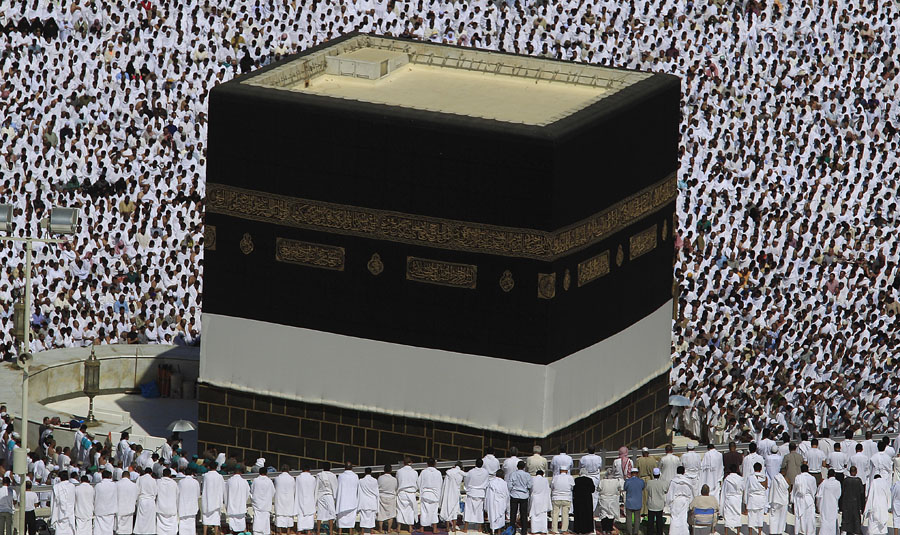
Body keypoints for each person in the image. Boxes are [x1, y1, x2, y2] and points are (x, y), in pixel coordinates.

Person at [463, 459, 489, 532]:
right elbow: (487, 481)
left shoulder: (471, 472)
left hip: (472, 492)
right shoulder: (486, 472)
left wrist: (467, 488)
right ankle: (479, 528)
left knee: (468, 510)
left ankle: (465, 528)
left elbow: (466, 481)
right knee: (479, 511)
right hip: (480, 493)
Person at [507, 460, 532, 535]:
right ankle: (524, 531)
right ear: (524, 467)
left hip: (514, 495)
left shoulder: (513, 474)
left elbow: (509, 485)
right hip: (524, 496)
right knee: (524, 514)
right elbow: (530, 485)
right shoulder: (527, 475)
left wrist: (511, 491)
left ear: (517, 467)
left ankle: (512, 530)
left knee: (513, 514)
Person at [417, 459, 443, 531]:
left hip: (425, 494)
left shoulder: (423, 472)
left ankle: (422, 528)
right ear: (435, 464)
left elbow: (419, 482)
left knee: (424, 512)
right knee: (434, 512)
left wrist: (422, 490)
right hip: (434, 495)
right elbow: (440, 484)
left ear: (427, 464)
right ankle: (435, 528)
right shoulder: (438, 473)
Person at [439, 462, 464, 533]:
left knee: (447, 509)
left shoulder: (448, 473)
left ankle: (447, 527)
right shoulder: (460, 474)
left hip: (448, 493)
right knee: (454, 510)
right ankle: (453, 527)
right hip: (455, 494)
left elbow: (445, 484)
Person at [200, 463, 225, 535]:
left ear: (209, 467)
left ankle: (205, 533)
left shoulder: (206, 476)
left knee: (206, 518)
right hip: (216, 500)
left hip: (207, 500)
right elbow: (223, 488)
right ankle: (216, 533)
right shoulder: (219, 476)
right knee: (216, 519)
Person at [597, 468, 623, 535]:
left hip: (604, 499)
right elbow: (620, 488)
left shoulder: (602, 481)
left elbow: (599, 489)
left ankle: (604, 529)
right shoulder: (616, 481)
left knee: (604, 514)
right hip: (613, 499)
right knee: (611, 514)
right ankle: (609, 529)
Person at [791, 465, 817, 535]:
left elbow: (794, 489)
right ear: (808, 470)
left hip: (799, 499)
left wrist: (792, 499)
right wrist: (812, 498)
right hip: (809, 498)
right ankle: (809, 532)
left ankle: (798, 531)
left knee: (799, 516)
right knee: (809, 516)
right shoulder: (812, 478)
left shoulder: (797, 477)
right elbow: (814, 490)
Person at [841, 466, 866, 535]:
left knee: (846, 517)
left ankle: (845, 530)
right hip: (856, 503)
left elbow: (842, 491)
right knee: (856, 518)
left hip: (847, 503)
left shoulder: (846, 480)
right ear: (856, 472)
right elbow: (862, 492)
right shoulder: (858, 481)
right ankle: (856, 531)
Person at [744, 463, 768, 535]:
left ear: (753, 468)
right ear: (761, 469)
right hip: (761, 499)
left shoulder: (750, 477)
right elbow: (766, 488)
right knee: (760, 517)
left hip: (752, 499)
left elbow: (746, 489)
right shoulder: (764, 478)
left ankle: (750, 533)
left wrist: (745, 502)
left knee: (751, 517)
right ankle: (759, 533)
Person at [335, 463, 359, 535]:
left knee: (341, 517)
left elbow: (338, 488)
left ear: (344, 468)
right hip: (352, 500)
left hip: (342, 500)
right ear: (352, 468)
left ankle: (340, 532)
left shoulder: (341, 476)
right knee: (351, 517)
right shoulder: (355, 476)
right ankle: (350, 532)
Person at [550, 466, 574, 534]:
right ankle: (564, 530)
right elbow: (572, 487)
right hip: (566, 498)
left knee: (555, 514)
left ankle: (554, 530)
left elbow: (552, 486)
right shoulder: (570, 477)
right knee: (565, 515)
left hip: (556, 497)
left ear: (560, 470)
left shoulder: (555, 477)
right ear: (567, 471)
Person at [395, 458, 417, 532]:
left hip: (402, 492)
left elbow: (397, 481)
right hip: (411, 493)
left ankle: (399, 527)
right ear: (411, 463)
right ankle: (410, 527)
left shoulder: (399, 471)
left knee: (400, 510)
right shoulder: (414, 472)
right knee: (410, 510)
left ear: (404, 463)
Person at [816, 469, 841, 535]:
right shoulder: (837, 483)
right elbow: (838, 495)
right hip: (833, 505)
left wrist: (818, 505)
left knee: (824, 520)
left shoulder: (824, 483)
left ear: (828, 475)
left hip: (825, 505)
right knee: (833, 520)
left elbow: (818, 495)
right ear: (834, 475)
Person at [720, 465, 743, 535]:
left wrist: (722, 502)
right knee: (737, 514)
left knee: (728, 515)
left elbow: (724, 490)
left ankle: (726, 533)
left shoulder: (727, 479)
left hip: (729, 498)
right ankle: (738, 532)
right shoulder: (740, 479)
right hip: (737, 498)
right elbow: (743, 488)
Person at [485, 470, 509, 535]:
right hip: (501, 503)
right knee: (500, 518)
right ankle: (499, 532)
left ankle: (492, 531)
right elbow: (507, 495)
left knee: (492, 516)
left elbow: (487, 495)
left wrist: (486, 506)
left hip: (492, 503)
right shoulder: (504, 483)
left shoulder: (491, 482)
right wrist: (507, 507)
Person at [178, 468, 201, 535]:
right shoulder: (195, 482)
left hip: (183, 505)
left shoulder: (181, 482)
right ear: (192, 473)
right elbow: (198, 494)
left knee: (183, 523)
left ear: (184, 473)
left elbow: (178, 493)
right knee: (191, 523)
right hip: (192, 506)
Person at [94, 470, 117, 535]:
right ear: (110, 476)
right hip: (110, 511)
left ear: (102, 476)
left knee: (99, 531)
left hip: (100, 510)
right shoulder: (114, 485)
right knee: (109, 530)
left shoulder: (98, 486)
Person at [296, 463, 317, 534]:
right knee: (309, 520)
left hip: (300, 500)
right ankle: (308, 532)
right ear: (309, 470)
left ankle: (299, 532)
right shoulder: (313, 479)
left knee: (300, 518)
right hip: (310, 501)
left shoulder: (298, 478)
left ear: (302, 470)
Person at [274, 466, 296, 534]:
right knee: (289, 516)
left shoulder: (277, 478)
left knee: (279, 516)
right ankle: (288, 531)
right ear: (288, 470)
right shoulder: (292, 479)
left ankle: (280, 531)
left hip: (280, 499)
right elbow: (294, 489)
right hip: (289, 500)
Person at [116, 467, 138, 535]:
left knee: (119, 529)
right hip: (129, 508)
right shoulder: (134, 485)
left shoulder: (117, 484)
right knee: (128, 529)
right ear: (129, 477)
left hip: (119, 508)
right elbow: (136, 496)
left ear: (121, 476)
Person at [315, 465, 337, 535]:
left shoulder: (319, 475)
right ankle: (331, 531)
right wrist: (335, 498)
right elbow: (335, 487)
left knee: (320, 514)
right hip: (329, 496)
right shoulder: (333, 476)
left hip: (320, 496)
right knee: (331, 514)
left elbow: (316, 487)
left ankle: (318, 531)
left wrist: (315, 498)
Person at [358, 467, 379, 535]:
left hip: (364, 501)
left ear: (365, 472)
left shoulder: (361, 481)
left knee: (363, 517)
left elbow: (359, 492)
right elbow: (377, 492)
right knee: (372, 517)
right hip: (372, 501)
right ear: (371, 472)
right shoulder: (375, 480)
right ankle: (371, 530)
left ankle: (362, 531)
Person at [377, 465, 398, 534]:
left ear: (384, 470)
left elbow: (377, 486)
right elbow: (395, 488)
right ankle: (389, 529)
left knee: (381, 513)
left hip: (382, 497)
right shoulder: (394, 479)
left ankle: (380, 529)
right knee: (391, 514)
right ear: (391, 470)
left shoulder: (380, 478)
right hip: (391, 497)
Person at [768, 466, 789, 535]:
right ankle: (780, 531)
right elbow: (788, 489)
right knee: (782, 517)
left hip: (775, 500)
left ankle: (772, 532)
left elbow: (771, 488)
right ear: (785, 472)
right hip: (783, 501)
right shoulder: (786, 479)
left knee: (773, 516)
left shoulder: (774, 478)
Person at [645, 468, 667, 535]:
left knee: (650, 521)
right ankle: (659, 532)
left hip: (651, 504)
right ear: (659, 475)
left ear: (653, 474)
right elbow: (666, 490)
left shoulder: (649, 482)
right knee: (659, 520)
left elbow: (647, 489)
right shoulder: (663, 483)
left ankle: (650, 533)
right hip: (659, 505)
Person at [156, 469, 179, 535]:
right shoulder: (174, 483)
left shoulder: (158, 482)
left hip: (161, 507)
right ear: (170, 475)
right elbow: (177, 495)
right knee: (172, 527)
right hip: (171, 507)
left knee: (160, 527)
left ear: (162, 474)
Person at [529, 470, 551, 535]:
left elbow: (531, 489)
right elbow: (547, 490)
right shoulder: (545, 480)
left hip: (535, 499)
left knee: (534, 515)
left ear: (536, 474)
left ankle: (534, 530)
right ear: (543, 474)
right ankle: (543, 530)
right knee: (543, 516)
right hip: (543, 499)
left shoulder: (533, 479)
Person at [623, 468, 644, 535]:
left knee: (628, 518)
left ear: (631, 474)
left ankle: (629, 532)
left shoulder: (627, 481)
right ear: (637, 473)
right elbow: (643, 487)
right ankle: (635, 532)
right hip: (638, 502)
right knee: (637, 518)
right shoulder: (641, 481)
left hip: (629, 502)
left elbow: (625, 488)